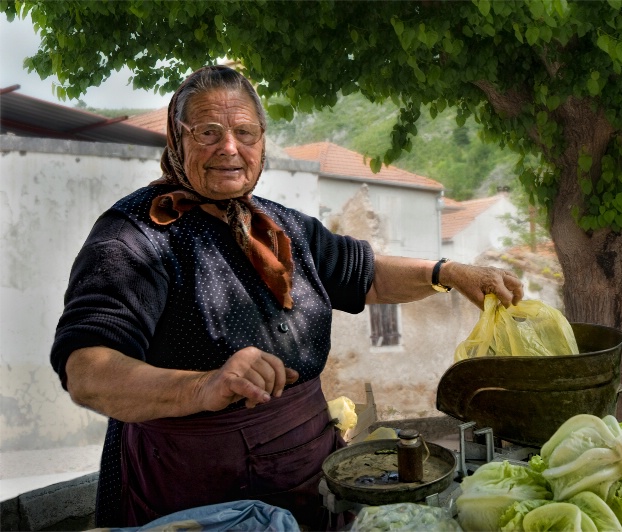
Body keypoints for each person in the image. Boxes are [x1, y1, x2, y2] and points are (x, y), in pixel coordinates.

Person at [50, 65, 523, 529]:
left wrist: (447, 272)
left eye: (245, 132)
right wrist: (204, 386)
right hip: (197, 490)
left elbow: (367, 275)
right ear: (177, 139)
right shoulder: (135, 236)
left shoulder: (280, 226)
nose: (230, 148)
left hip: (307, 471)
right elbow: (88, 371)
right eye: (209, 132)